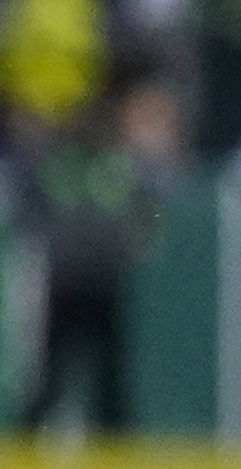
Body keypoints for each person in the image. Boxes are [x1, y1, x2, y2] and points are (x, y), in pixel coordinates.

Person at [10, 84, 168, 444]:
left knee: (110, 376)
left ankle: (116, 446)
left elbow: (149, 206)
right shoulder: (56, 163)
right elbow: (25, 208)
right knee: (50, 375)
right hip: (65, 283)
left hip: (105, 283)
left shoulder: (119, 165)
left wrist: (133, 244)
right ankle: (25, 444)